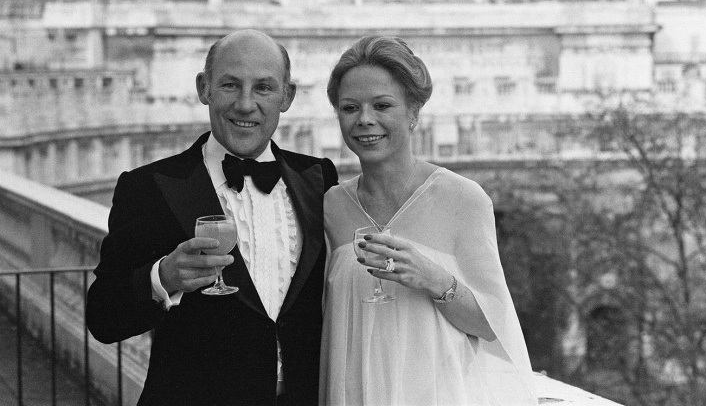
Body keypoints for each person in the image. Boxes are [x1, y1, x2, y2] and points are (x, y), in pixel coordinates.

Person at [86, 29, 338, 406]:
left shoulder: (319, 178)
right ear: (204, 88)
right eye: (230, 85)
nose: (245, 104)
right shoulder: (149, 187)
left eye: (264, 87)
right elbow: (103, 317)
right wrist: (163, 277)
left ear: (287, 96)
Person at [319, 36, 537, 405]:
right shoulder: (330, 206)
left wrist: (435, 279)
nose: (365, 119)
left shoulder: (463, 199)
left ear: (414, 112)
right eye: (350, 107)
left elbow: (494, 327)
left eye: (382, 105)